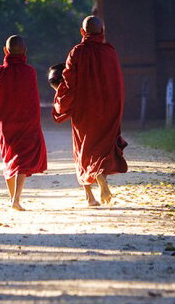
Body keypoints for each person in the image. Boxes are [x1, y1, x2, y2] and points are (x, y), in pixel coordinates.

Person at [52, 15, 128, 206]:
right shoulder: (110, 51)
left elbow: (69, 83)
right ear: (102, 32)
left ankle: (90, 197)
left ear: (82, 32)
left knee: (83, 149)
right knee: (103, 148)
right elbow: (117, 82)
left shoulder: (77, 52)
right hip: (109, 107)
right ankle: (100, 182)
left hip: (84, 109)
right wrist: (117, 108)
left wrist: (60, 98)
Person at [0, 35, 47, 210]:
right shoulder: (30, 72)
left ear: (5, 51)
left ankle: (12, 198)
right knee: (21, 159)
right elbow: (32, 99)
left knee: (9, 156)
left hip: (5, 122)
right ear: (25, 52)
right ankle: (16, 198)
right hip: (26, 121)